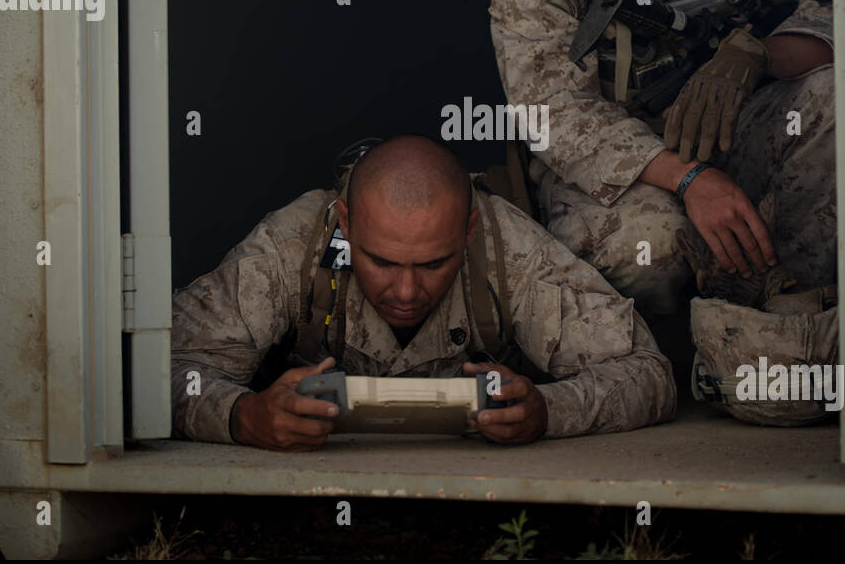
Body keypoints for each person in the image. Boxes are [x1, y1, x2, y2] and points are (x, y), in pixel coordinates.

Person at [488, 0, 838, 422]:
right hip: (607, 170)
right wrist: (689, 179)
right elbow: (549, 113)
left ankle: (784, 323)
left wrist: (758, 56)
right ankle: (664, 367)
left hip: (728, 135)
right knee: (650, 244)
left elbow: (837, 11)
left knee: (832, 103)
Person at [170, 135, 676, 450]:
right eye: (382, 261)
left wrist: (548, 411)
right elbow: (159, 370)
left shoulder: (509, 246)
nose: (407, 291)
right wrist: (242, 417)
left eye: (435, 263)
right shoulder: (293, 245)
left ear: (469, 230)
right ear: (346, 222)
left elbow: (650, 375)